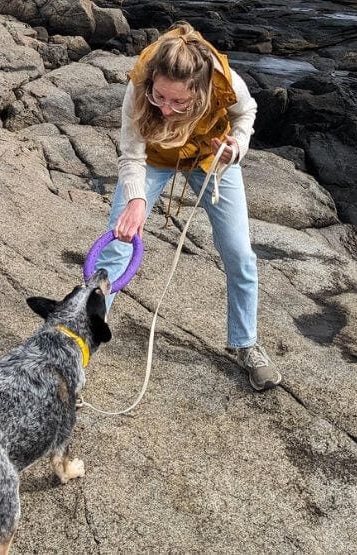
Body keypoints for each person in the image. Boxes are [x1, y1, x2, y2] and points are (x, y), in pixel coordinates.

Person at [95, 21, 281, 391]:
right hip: (154, 160)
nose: (166, 109)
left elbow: (247, 112)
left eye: (179, 102)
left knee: (240, 255)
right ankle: (80, 340)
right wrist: (134, 202)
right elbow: (131, 155)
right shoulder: (138, 84)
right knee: (117, 246)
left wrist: (236, 147)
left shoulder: (226, 82)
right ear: (152, 82)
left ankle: (246, 345)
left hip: (211, 157)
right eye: (160, 97)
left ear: (201, 89)